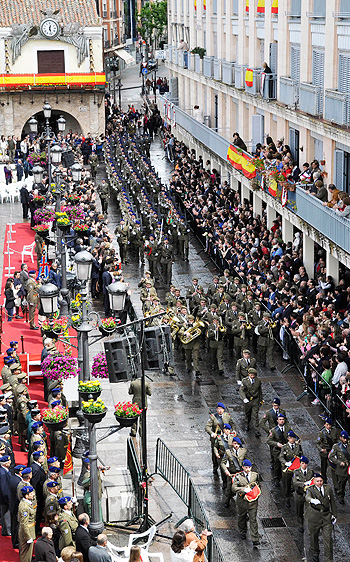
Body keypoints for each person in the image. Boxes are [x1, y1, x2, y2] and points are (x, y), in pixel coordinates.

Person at [305, 473, 337, 562]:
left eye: (321, 481)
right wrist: (312, 500)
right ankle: (315, 552)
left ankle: (329, 559)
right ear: (314, 481)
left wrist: (334, 515)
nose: (319, 483)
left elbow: (332, 502)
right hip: (314, 517)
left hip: (326, 517)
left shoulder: (328, 488)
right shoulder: (311, 489)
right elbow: (307, 497)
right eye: (317, 481)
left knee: (328, 539)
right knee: (314, 537)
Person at [232, 460, 260, 546]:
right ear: (243, 467)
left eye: (249, 467)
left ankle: (255, 538)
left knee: (253, 520)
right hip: (242, 501)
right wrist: (243, 489)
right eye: (246, 467)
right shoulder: (238, 476)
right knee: (242, 517)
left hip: (252, 502)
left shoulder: (255, 475)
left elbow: (258, 485)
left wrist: (255, 494)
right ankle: (243, 531)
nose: (247, 469)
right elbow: (234, 488)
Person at [292, 456, 314, 533]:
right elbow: (295, 482)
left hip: (308, 494)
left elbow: (313, 481)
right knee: (299, 510)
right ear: (300, 463)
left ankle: (310, 526)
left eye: (305, 463)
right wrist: (304, 483)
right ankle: (300, 524)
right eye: (302, 463)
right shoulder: (296, 472)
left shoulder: (310, 472)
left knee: (310, 510)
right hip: (299, 494)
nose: (304, 465)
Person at [239, 368, 263, 436]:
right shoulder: (245, 381)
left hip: (255, 400)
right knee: (248, 414)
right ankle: (247, 424)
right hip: (248, 400)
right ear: (249, 374)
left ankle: (257, 430)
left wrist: (261, 399)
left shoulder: (258, 381)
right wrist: (244, 398)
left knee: (255, 415)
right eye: (251, 375)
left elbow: (260, 391)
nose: (252, 376)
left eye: (254, 375)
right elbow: (241, 390)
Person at [18, 485, 36, 562]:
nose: (33, 495)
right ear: (26, 495)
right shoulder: (24, 507)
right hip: (26, 532)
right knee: (26, 554)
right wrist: (28, 537)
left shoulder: (27, 503)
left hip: (30, 530)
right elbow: (24, 524)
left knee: (28, 553)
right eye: (31, 494)